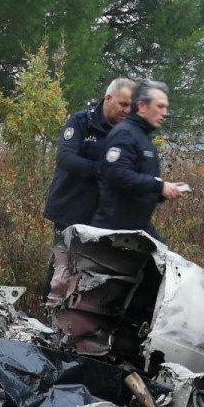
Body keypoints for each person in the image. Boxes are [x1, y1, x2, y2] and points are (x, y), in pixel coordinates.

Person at [40, 78, 134, 296]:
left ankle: (81, 323)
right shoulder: (82, 121)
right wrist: (102, 170)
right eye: (123, 104)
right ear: (108, 98)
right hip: (70, 209)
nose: (127, 111)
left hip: (104, 217)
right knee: (62, 268)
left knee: (96, 272)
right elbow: (65, 157)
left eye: (132, 106)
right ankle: (47, 317)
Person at [91, 80, 188, 239]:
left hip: (135, 228)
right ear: (142, 106)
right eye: (160, 106)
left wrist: (164, 191)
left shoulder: (143, 137)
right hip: (115, 231)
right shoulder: (125, 133)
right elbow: (117, 174)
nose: (165, 113)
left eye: (166, 107)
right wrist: (159, 186)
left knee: (163, 258)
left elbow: (137, 186)